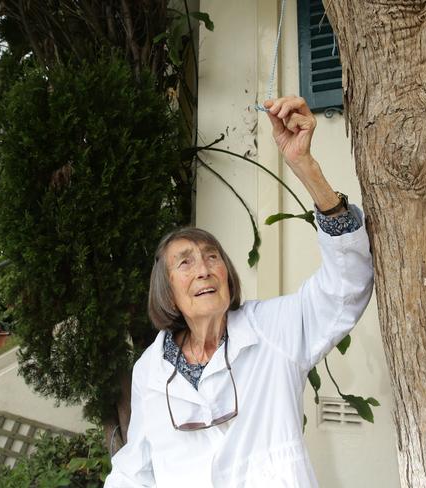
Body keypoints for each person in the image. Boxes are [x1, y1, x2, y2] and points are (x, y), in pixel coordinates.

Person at [104, 96, 374, 487]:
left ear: (227, 274)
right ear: (167, 291)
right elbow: (135, 469)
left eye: (212, 257)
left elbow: (347, 285)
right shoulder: (150, 370)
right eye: (185, 262)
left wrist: (305, 166)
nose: (204, 270)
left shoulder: (273, 330)